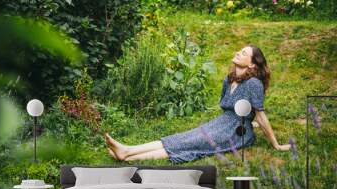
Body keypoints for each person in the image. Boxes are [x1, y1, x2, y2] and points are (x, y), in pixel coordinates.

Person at [105, 45, 291, 163]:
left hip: (236, 133)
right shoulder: (229, 79)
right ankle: (127, 153)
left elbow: (260, 114)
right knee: (183, 138)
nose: (237, 52)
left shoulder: (253, 84)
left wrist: (276, 145)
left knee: (192, 144)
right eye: (239, 50)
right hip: (221, 123)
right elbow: (231, 109)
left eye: (243, 53)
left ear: (252, 65)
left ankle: (128, 152)